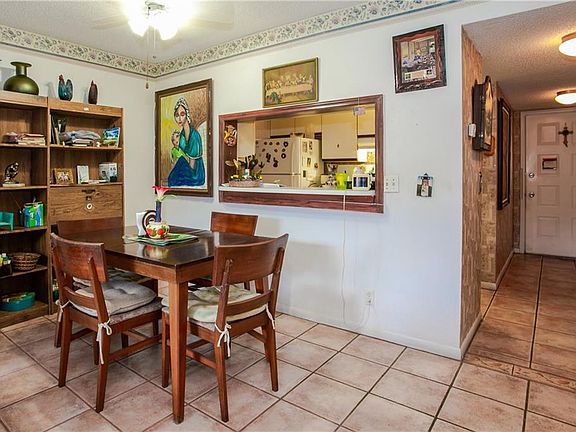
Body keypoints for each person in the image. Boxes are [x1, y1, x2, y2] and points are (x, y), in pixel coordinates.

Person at [167, 97, 205, 187]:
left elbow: (192, 164)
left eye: (182, 114)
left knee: (180, 163)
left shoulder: (194, 136)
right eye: (177, 115)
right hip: (187, 168)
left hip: (196, 173)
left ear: (187, 115)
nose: (179, 118)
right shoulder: (181, 135)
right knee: (171, 179)